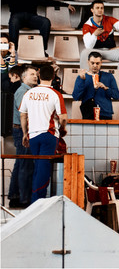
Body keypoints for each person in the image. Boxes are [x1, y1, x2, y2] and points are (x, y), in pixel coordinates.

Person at [19, 62, 67, 203]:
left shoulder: (29, 93)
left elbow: (23, 115)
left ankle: (36, 200)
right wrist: (62, 129)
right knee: (44, 169)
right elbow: (63, 117)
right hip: (49, 134)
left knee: (37, 167)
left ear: (39, 75)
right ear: (53, 76)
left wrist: (24, 133)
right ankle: (38, 201)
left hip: (33, 135)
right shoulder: (55, 94)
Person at [1, 0, 75, 53]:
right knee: (14, 21)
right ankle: (13, 51)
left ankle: (42, 50)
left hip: (32, 18)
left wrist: (66, 5)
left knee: (45, 21)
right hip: (17, 17)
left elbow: (47, 2)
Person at [8, 64, 35, 208]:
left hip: (22, 129)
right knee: (25, 164)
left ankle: (15, 196)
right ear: (24, 77)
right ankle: (23, 199)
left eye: (36, 74)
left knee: (21, 164)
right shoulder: (22, 91)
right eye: (32, 74)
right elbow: (23, 113)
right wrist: (26, 133)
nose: (35, 76)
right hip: (21, 130)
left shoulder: (28, 91)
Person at [80, 0, 119, 73]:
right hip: (95, 51)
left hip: (109, 51)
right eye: (97, 8)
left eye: (102, 8)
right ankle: (84, 79)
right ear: (92, 10)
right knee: (84, 53)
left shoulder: (109, 19)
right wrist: (95, 34)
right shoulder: (87, 25)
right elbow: (88, 47)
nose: (100, 10)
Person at [72, 51, 119, 120]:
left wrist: (106, 88)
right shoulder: (81, 77)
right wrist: (81, 80)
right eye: (92, 63)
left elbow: (116, 96)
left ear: (101, 63)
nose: (95, 65)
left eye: (97, 63)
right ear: (88, 62)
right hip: (88, 113)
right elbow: (76, 97)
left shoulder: (109, 76)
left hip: (105, 113)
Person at [1, 33, 19, 137]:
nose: (3, 45)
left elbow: (13, 71)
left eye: (5, 43)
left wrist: (12, 54)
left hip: (8, 82)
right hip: (3, 80)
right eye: (1, 43)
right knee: (5, 78)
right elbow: (3, 70)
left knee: (13, 80)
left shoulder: (13, 53)